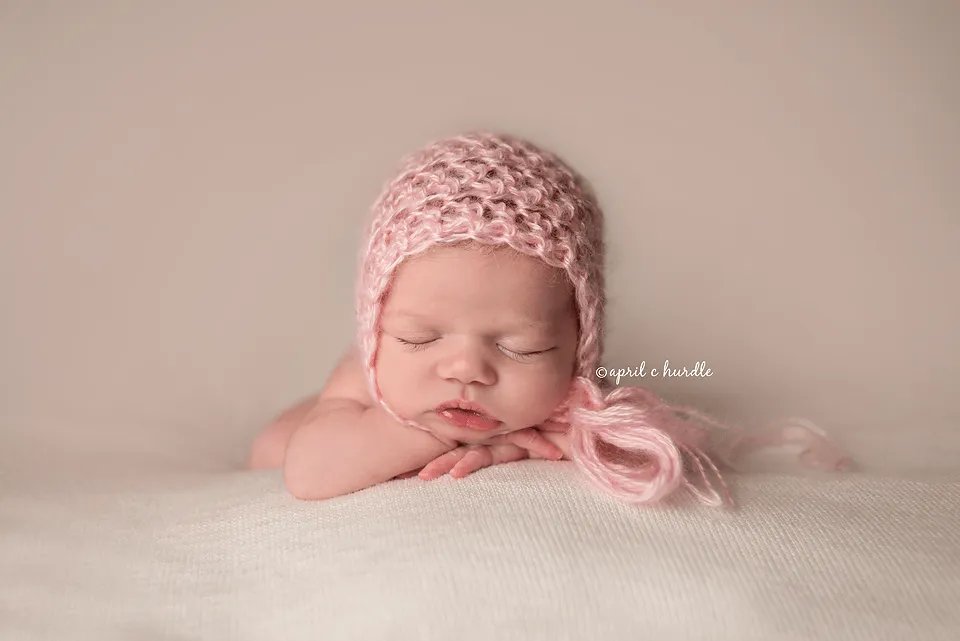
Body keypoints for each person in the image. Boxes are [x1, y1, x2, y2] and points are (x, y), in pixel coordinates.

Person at [248, 131, 852, 506]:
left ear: (578, 345)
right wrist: (441, 432)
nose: (465, 368)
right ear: (374, 325)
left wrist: (516, 444)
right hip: (285, 438)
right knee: (273, 445)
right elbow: (310, 472)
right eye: (419, 337)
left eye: (520, 348)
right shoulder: (364, 375)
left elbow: (618, 442)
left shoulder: (567, 394)